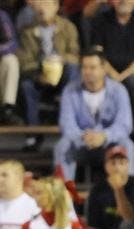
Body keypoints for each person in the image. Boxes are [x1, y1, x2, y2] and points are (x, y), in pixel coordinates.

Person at [54, 47, 134, 182]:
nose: (87, 72)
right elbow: (66, 125)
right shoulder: (70, 90)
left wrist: (104, 136)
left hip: (109, 145)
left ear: (103, 69)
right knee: (62, 146)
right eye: (84, 68)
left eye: (92, 67)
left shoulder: (119, 91)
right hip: (80, 143)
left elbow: (124, 125)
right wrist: (85, 137)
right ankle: (63, 196)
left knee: (127, 145)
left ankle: (128, 193)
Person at [17, 0, 80, 150]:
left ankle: (70, 125)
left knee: (73, 69)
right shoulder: (28, 31)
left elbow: (75, 55)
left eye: (46, 3)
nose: (42, 8)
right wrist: (40, 74)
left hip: (62, 76)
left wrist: (59, 62)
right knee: (26, 86)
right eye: (39, 4)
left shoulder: (68, 27)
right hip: (39, 77)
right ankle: (33, 136)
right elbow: (25, 62)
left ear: (56, 6)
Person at [90, 0, 134, 127]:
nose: (123, 1)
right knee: (95, 77)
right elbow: (97, 55)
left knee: (133, 80)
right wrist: (113, 75)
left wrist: (122, 76)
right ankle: (99, 126)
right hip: (107, 71)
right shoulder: (101, 20)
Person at [85, 145, 134, 229]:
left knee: (127, 225)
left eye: (121, 163)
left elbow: (131, 219)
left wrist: (118, 189)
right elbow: (93, 224)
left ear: (127, 165)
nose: (117, 167)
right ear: (106, 166)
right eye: (113, 163)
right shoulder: (98, 188)